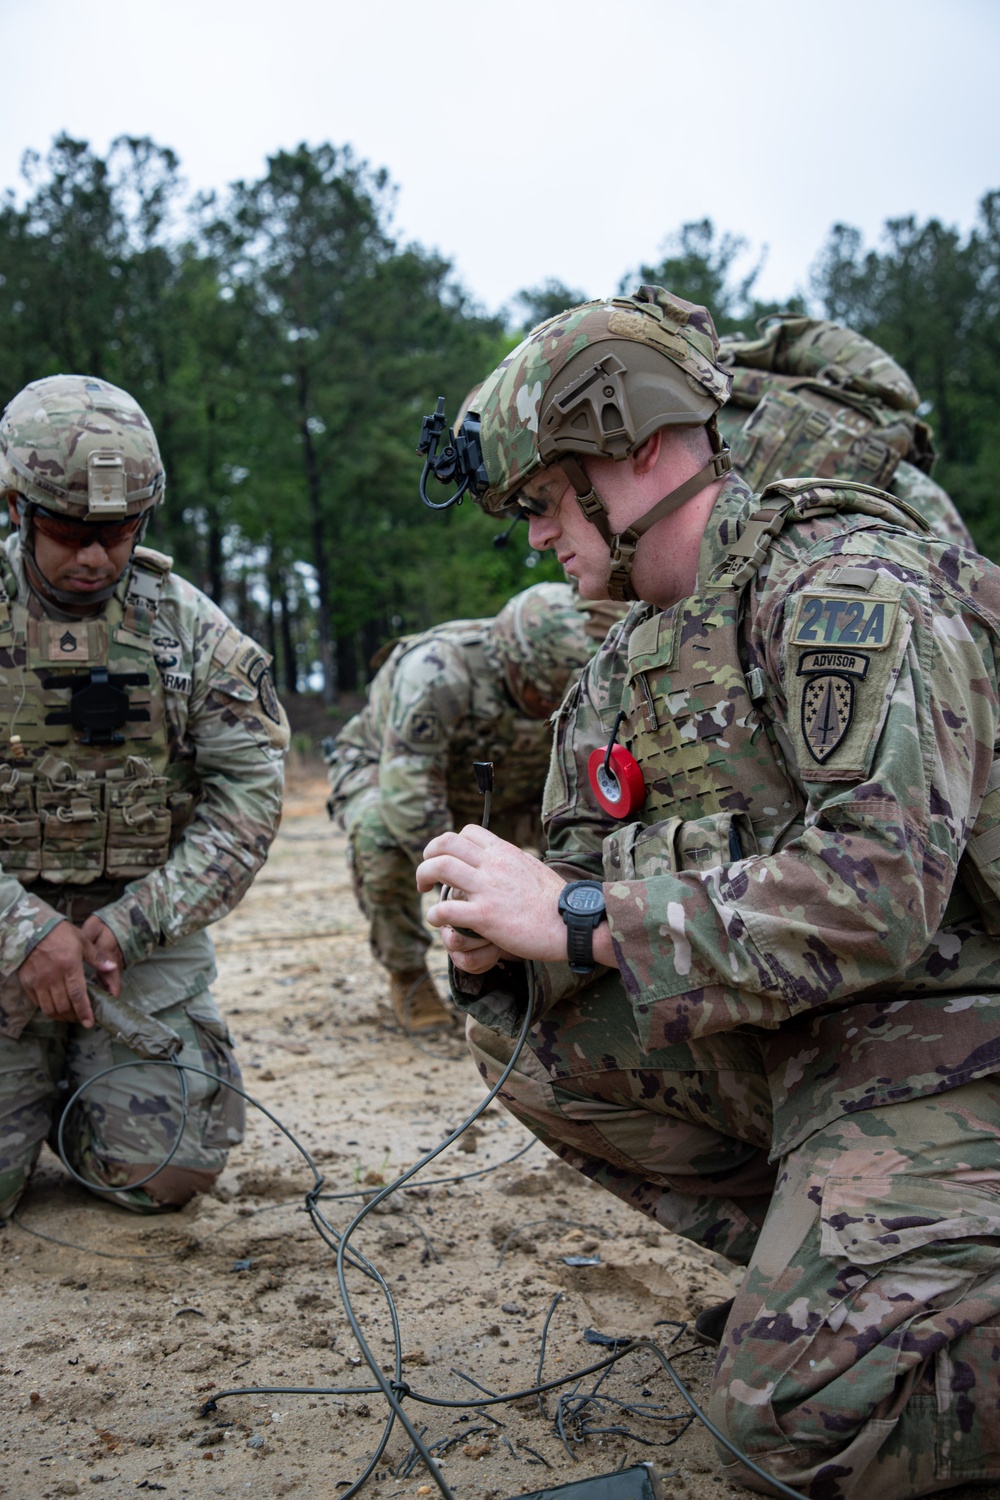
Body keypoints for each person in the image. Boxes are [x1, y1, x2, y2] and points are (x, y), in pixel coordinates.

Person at [414, 286, 1000, 1497]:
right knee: (525, 1021)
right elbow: (594, 863)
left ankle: (902, 1291)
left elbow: (883, 893)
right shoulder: (626, 658)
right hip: (822, 1042)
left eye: (539, 500)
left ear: (634, 456)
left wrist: (580, 916)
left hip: (956, 1031)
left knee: (789, 1434)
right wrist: (508, 937)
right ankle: (852, 1270)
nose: (532, 539)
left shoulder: (842, 586)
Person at [0, 374, 289, 1218]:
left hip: (131, 945)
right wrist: (23, 930)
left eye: (121, 531)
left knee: (166, 1171)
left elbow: (246, 800)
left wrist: (134, 921)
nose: (95, 557)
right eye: (68, 531)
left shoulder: (187, 630)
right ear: (16, 506)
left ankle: (78, 1099)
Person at [326, 582, 596, 1031]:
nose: (548, 703)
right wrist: (467, 888)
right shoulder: (438, 670)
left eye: (558, 693)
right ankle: (408, 974)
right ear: (508, 658)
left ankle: (549, 967)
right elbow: (408, 796)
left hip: (503, 786)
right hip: (391, 778)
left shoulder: (580, 668)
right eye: (537, 690)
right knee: (380, 833)